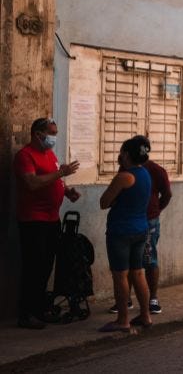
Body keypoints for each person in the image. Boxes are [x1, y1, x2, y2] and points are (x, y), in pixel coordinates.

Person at [14, 118, 81, 329]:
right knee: (33, 267)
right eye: (51, 133)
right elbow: (32, 183)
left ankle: (39, 308)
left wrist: (67, 190)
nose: (54, 137)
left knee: (45, 267)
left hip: (52, 219)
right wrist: (61, 173)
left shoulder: (49, 154)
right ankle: (26, 314)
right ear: (37, 134)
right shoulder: (24, 156)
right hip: (34, 220)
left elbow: (54, 178)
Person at [108, 135, 172, 315]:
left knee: (146, 262)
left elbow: (167, 194)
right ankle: (127, 301)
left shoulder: (154, 170)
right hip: (136, 223)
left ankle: (152, 299)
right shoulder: (130, 171)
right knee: (133, 267)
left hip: (144, 222)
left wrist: (156, 210)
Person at [99, 137, 153, 332]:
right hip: (140, 229)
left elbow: (104, 202)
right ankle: (145, 315)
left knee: (120, 275)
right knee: (138, 273)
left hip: (121, 231)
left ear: (127, 155)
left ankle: (123, 320)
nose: (119, 155)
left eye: (121, 152)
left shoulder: (124, 177)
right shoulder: (145, 174)